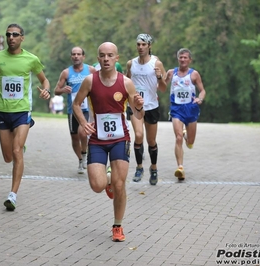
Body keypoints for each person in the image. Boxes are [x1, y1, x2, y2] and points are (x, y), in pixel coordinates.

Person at [0, 23, 50, 211]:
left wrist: (46, 91)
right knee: (8, 157)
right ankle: (20, 145)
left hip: (22, 111)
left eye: (15, 34)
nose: (11, 38)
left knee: (16, 151)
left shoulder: (31, 59)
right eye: (8, 35)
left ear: (22, 37)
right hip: (3, 111)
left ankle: (12, 195)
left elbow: (44, 80)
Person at [73, 42, 144, 242]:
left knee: (120, 185)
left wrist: (139, 106)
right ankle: (108, 179)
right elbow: (76, 104)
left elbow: (138, 114)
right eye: (102, 55)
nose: (106, 59)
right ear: (98, 58)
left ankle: (117, 226)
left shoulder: (126, 82)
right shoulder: (90, 81)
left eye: (110, 55)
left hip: (121, 138)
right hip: (97, 139)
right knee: (97, 185)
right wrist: (83, 122)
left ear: (116, 58)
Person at [125, 33, 167, 185]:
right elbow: (126, 82)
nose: (140, 47)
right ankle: (139, 167)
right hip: (135, 105)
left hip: (151, 106)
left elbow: (162, 89)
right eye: (138, 44)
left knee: (151, 140)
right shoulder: (131, 64)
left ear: (149, 46)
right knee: (138, 135)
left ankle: (153, 168)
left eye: (143, 44)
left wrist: (159, 77)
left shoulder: (157, 64)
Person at [165, 48, 206, 181]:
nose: (183, 59)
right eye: (180, 57)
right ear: (178, 59)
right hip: (176, 109)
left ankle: (185, 134)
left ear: (190, 60)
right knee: (177, 138)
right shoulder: (171, 73)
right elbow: (161, 86)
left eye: (185, 57)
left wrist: (200, 98)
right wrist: (159, 77)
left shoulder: (194, 74)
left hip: (191, 109)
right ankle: (180, 168)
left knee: (190, 142)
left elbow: (202, 91)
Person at [54, 47, 96, 174]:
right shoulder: (66, 73)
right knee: (74, 138)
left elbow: (99, 84)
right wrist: (63, 90)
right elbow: (56, 90)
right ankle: (80, 160)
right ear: (71, 56)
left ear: (83, 56)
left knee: (83, 133)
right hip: (72, 110)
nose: (76, 56)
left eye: (78, 54)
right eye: (73, 54)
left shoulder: (91, 70)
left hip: (86, 108)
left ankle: (84, 155)